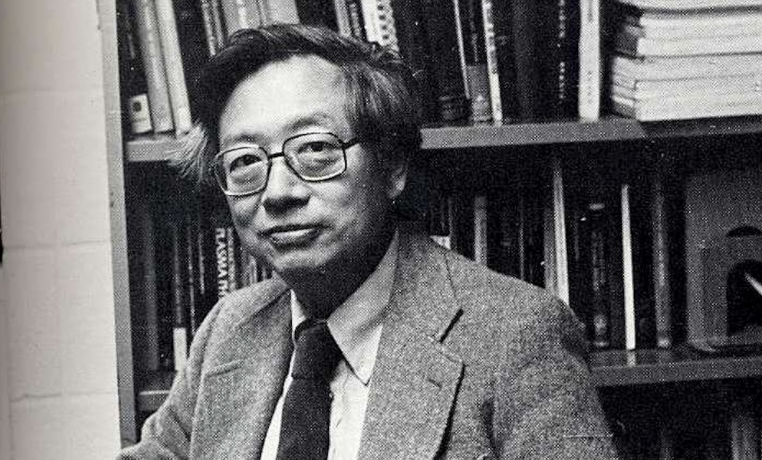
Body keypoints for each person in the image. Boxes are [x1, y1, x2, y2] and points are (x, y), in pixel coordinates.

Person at [119, 24, 618, 460]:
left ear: (392, 166)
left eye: (315, 149)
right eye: (246, 162)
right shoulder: (229, 328)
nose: (278, 193)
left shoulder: (517, 336)